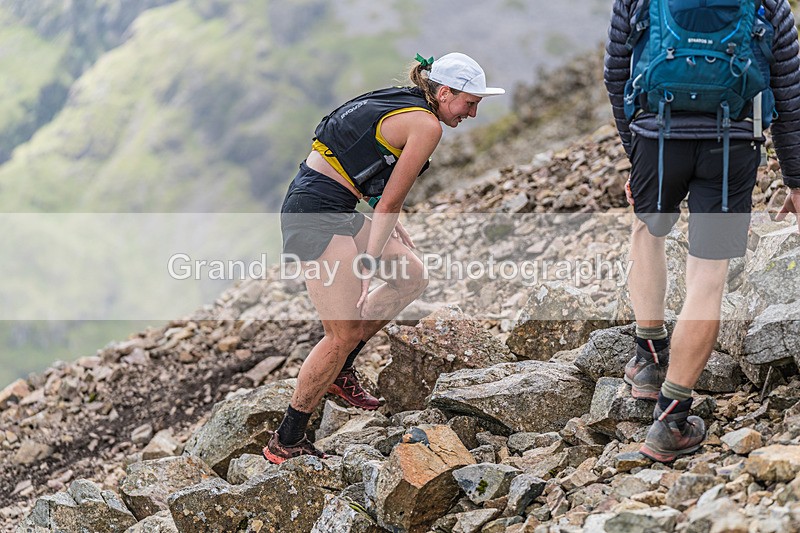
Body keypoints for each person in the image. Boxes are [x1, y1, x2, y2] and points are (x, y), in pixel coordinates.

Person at [263, 52, 505, 464]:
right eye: (469, 103)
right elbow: (390, 202)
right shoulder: (427, 125)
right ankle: (287, 440)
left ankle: (340, 370)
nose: (472, 113)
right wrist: (369, 262)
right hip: (316, 211)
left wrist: (383, 220)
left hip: (330, 201)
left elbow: (361, 160)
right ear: (445, 93)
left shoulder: (405, 99)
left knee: (411, 276)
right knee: (340, 333)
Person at [604, 0, 800, 462]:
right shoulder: (769, 4)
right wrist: (795, 180)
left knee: (647, 231)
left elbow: (616, 75)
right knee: (708, 276)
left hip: (657, 136)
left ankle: (648, 361)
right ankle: (671, 421)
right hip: (732, 145)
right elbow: (789, 96)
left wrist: (637, 152)